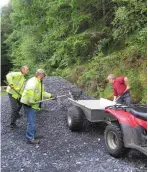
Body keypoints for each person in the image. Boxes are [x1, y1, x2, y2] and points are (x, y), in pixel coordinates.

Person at [20, 69, 53, 144]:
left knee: (33, 121)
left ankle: (33, 135)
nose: (44, 76)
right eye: (44, 75)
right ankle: (30, 139)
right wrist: (31, 101)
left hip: (33, 104)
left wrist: (50, 96)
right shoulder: (33, 81)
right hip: (28, 104)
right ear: (40, 74)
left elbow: (42, 92)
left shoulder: (39, 82)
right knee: (31, 122)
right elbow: (30, 90)